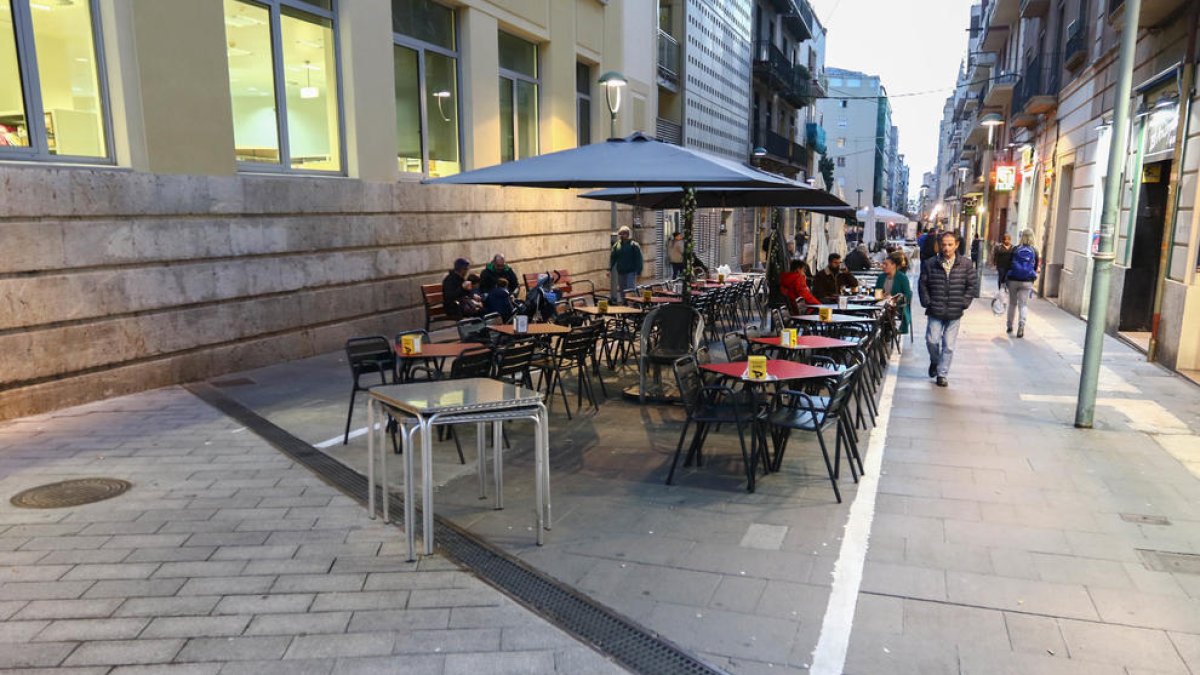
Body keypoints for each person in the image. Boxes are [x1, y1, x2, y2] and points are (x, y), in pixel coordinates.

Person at [918, 231, 979, 387]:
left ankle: (942, 374)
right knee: (931, 340)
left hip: (954, 310)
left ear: (956, 245)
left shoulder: (965, 264)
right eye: (944, 244)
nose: (946, 248)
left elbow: (971, 285)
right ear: (939, 245)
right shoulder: (930, 263)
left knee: (949, 345)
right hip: (935, 308)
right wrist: (926, 301)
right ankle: (935, 361)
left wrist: (964, 302)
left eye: (950, 244)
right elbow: (922, 283)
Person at [1004, 228, 1040, 338]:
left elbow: (1009, 264)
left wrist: (1005, 279)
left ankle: (1010, 325)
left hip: (1014, 279)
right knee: (1023, 304)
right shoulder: (1034, 251)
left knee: (1012, 303)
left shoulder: (1015, 249)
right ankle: (1021, 324)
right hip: (1027, 281)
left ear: (1022, 237)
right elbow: (1035, 266)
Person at [875, 252, 912, 334]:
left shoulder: (902, 278)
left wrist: (895, 298)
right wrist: (881, 295)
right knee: (880, 310)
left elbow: (907, 295)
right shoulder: (881, 277)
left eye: (886, 264)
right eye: (883, 264)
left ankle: (886, 331)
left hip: (897, 306)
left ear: (894, 265)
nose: (883, 266)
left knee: (886, 310)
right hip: (882, 304)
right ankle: (886, 330)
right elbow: (877, 293)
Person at [609, 226, 643, 301]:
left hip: (630, 271)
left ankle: (632, 304)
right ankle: (624, 304)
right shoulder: (617, 245)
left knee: (630, 289)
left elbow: (639, 259)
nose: (622, 235)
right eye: (620, 234)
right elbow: (613, 257)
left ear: (628, 234)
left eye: (624, 234)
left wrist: (639, 272)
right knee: (622, 290)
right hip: (621, 271)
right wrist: (609, 269)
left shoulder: (634, 245)